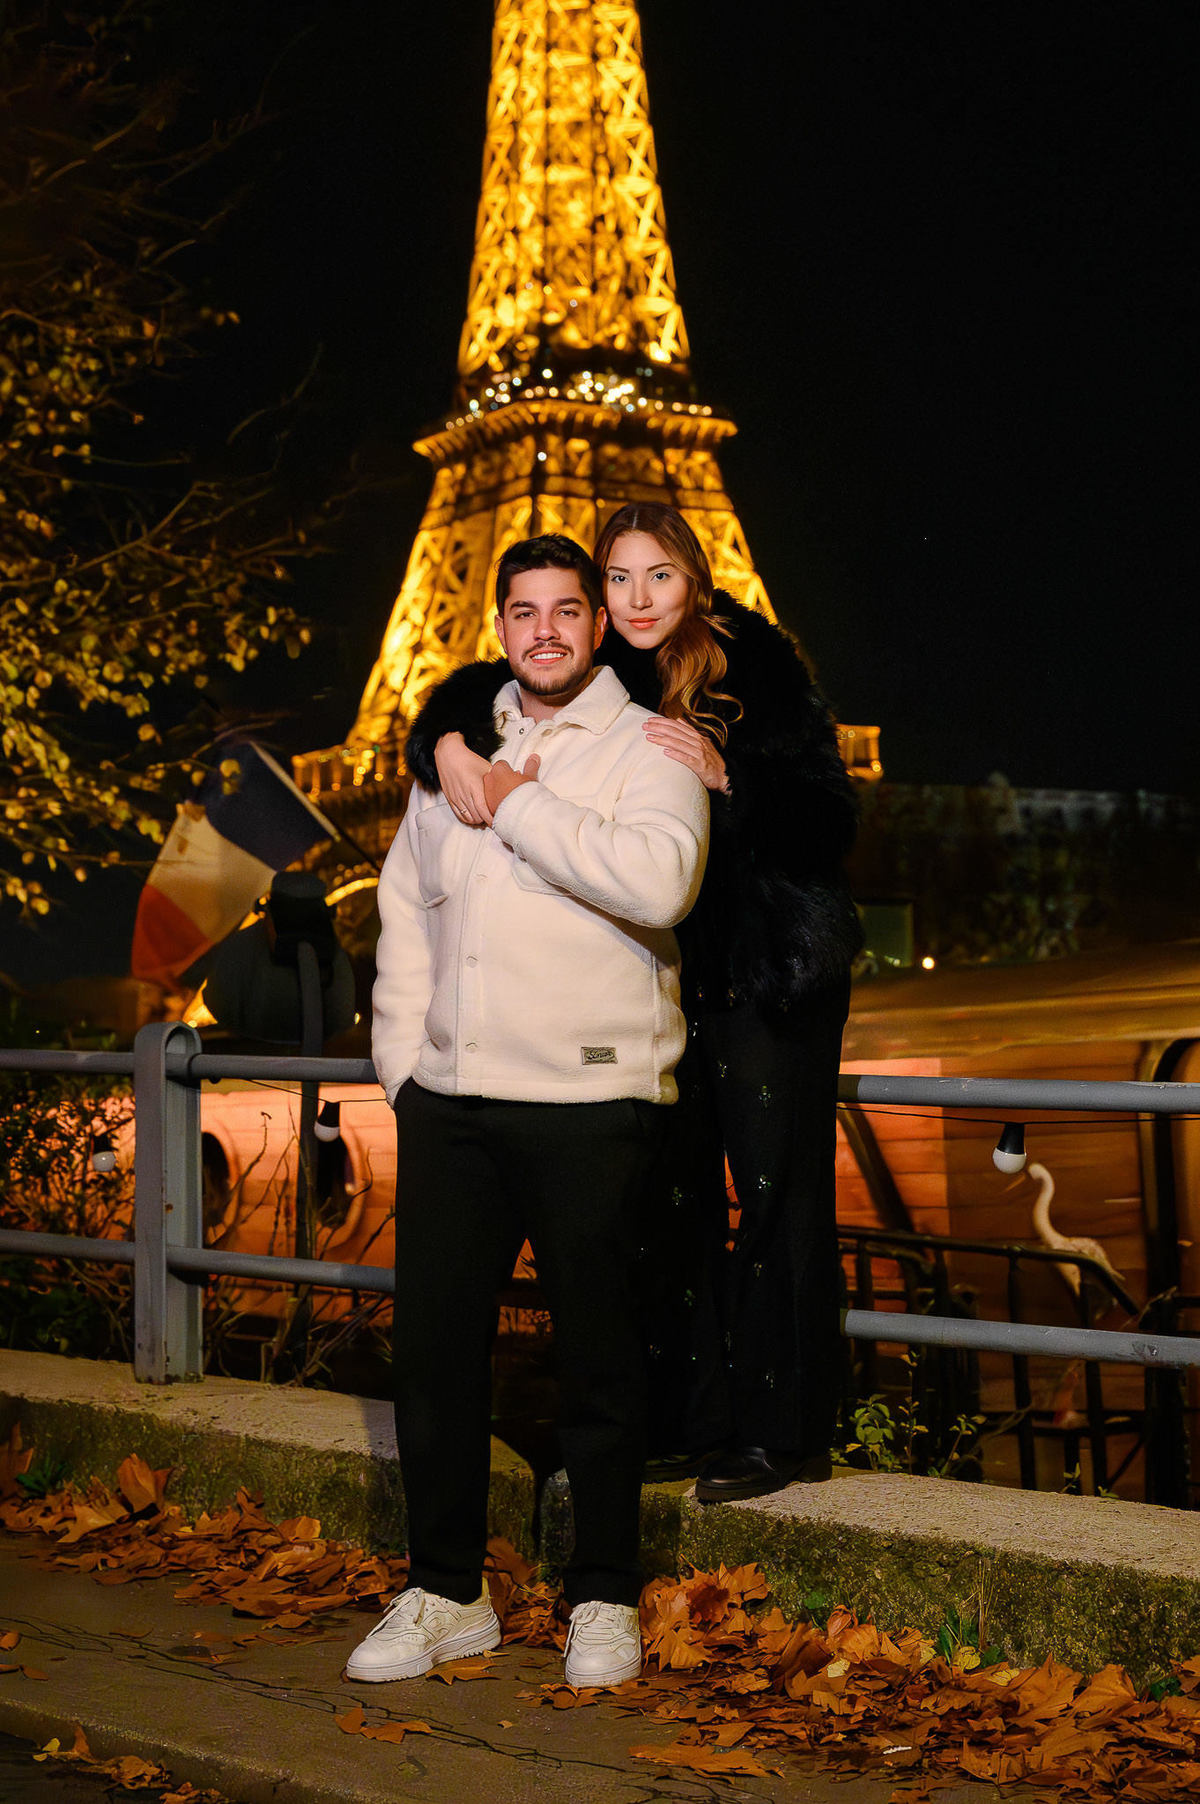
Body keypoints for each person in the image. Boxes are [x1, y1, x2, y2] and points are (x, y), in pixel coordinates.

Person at [406, 502, 861, 1503]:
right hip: (672, 981)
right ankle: (688, 1417)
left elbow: (829, 814)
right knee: (674, 1203)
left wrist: (730, 774)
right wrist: (440, 740)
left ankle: (782, 1431)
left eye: (659, 575)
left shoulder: (756, 660)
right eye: (618, 579)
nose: (638, 597)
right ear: (598, 601)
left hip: (766, 972)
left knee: (775, 1199)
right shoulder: (599, 668)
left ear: (695, 578)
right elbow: (468, 694)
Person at [352, 533, 708, 1690]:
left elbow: (659, 881)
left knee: (599, 1358)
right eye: (524, 611)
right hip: (451, 1105)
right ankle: (448, 1589)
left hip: (592, 1097)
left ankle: (602, 1594)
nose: (546, 629)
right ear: (498, 625)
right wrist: (404, 1062)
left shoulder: (648, 745)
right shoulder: (450, 748)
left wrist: (511, 801)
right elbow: (406, 909)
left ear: (597, 627)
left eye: (568, 608)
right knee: (433, 1358)